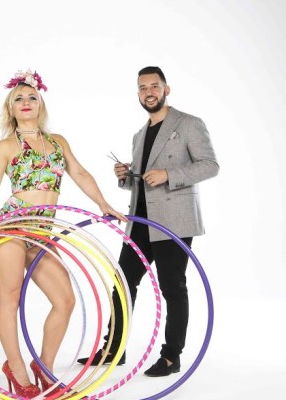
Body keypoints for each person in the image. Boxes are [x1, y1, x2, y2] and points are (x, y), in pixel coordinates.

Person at [0, 69, 126, 398]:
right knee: (10, 298)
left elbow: (79, 173)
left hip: (43, 231)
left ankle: (44, 369)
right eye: (18, 98)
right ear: (11, 108)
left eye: (31, 97)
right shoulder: (7, 146)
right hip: (11, 227)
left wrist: (104, 204)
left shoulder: (57, 142)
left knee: (65, 301)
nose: (26, 102)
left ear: (41, 104)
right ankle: (17, 370)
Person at [77, 66, 219, 377]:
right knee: (123, 283)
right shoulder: (139, 135)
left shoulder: (189, 123)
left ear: (166, 89)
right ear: (139, 94)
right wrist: (125, 176)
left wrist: (169, 174)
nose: (149, 92)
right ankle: (114, 349)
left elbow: (210, 165)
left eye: (154, 86)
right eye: (143, 88)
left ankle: (171, 357)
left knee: (172, 287)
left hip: (173, 221)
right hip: (140, 221)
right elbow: (142, 182)